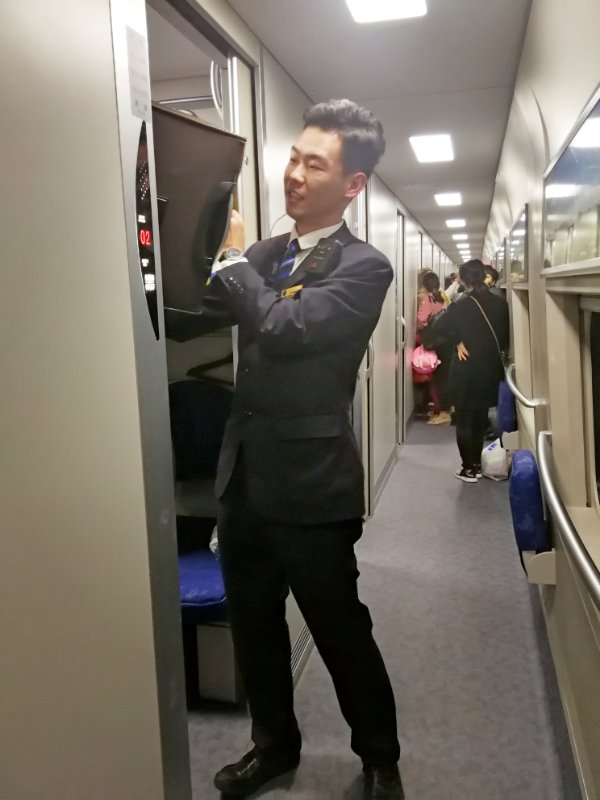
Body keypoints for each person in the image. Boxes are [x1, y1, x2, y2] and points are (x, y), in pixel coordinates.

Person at [201, 99, 404, 799]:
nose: (292, 174)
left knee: (339, 629)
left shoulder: (365, 266)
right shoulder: (262, 256)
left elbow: (284, 328)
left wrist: (234, 262)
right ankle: (273, 749)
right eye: (293, 157)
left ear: (352, 184)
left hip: (313, 485)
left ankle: (379, 759)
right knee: (255, 629)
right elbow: (198, 310)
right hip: (245, 479)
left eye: (313, 164)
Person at [431, 260, 509, 482]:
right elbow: (504, 338)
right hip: (490, 368)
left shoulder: (461, 305)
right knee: (480, 417)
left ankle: (469, 468)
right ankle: (477, 466)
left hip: (466, 368)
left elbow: (438, 327)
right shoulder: (501, 304)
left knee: (464, 419)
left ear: (463, 280)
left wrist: (457, 340)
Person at [416, 271, 451, 424]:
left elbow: (422, 320)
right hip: (445, 341)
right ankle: (441, 410)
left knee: (437, 379)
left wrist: (416, 329)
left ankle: (443, 413)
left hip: (434, 341)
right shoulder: (442, 297)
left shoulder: (426, 298)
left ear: (424, 285)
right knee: (442, 376)